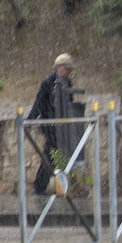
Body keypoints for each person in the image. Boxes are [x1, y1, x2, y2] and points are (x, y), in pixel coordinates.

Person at [29, 52, 76, 195]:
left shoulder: (68, 83)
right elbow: (39, 102)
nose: (68, 72)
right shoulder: (48, 83)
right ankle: (40, 185)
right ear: (59, 67)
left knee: (60, 155)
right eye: (66, 68)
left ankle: (58, 184)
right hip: (50, 126)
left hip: (63, 126)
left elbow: (70, 103)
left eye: (69, 69)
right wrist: (30, 119)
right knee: (50, 154)